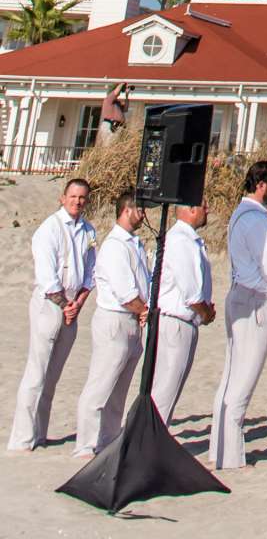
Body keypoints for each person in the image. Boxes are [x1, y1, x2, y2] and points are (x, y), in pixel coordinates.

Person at [209, 159, 267, 469]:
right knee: (243, 378)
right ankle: (230, 456)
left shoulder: (239, 214)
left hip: (240, 293)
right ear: (261, 184)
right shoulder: (256, 218)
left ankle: (220, 449)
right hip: (254, 298)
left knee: (231, 376)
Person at [8, 177, 96, 452]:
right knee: (37, 371)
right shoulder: (49, 229)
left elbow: (91, 272)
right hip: (50, 304)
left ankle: (40, 433)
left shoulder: (88, 230)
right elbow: (47, 276)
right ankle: (22, 438)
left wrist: (78, 303)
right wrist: (64, 304)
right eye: (73, 196)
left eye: (82, 197)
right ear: (63, 197)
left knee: (53, 375)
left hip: (73, 304)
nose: (77, 201)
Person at [74, 190, 150, 458]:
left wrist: (144, 310)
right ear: (127, 210)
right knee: (101, 384)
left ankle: (108, 440)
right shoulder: (115, 244)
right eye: (140, 209)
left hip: (132, 322)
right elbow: (125, 290)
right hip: (114, 319)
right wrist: (143, 309)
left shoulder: (135, 243)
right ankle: (85, 444)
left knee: (119, 389)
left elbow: (144, 281)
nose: (143, 214)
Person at [152, 198, 215, 426]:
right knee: (165, 388)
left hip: (186, 321)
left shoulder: (190, 239)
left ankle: (157, 435)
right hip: (175, 321)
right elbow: (190, 291)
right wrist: (205, 312)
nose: (207, 210)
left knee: (171, 387)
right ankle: (151, 439)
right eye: (203, 205)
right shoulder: (180, 239)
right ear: (190, 209)